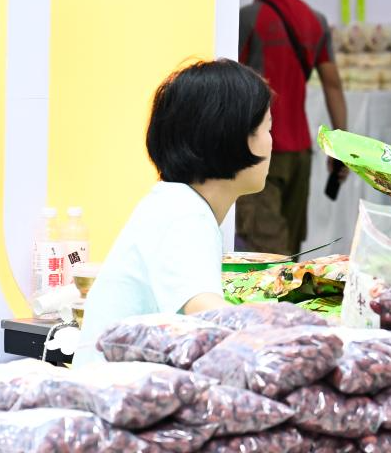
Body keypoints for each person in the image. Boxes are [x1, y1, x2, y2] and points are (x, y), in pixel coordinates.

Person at [74, 59, 273, 367]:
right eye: (268, 128)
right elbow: (206, 311)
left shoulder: (176, 203)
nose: (273, 143)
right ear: (234, 136)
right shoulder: (185, 214)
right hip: (115, 391)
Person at [236, 0, 348, 255]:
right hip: (300, 151)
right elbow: (333, 85)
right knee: (290, 252)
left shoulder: (248, 19)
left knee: (265, 253)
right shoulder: (315, 19)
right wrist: (340, 149)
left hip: (257, 148)